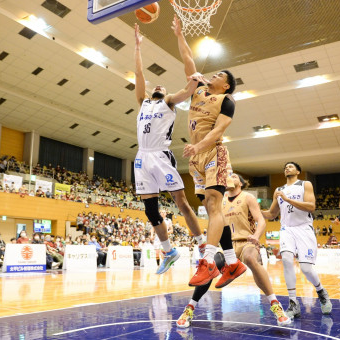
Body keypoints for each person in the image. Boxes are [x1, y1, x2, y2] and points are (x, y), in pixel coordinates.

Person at [172, 16, 244, 286]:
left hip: (213, 152)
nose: (213, 75)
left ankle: (209, 263)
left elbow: (219, 131)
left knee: (214, 204)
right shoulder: (198, 90)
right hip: (197, 158)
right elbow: (188, 63)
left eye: (219, 76)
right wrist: (180, 35)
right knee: (209, 207)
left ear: (226, 85)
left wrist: (198, 146)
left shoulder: (227, 100)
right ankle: (233, 263)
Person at [133, 23, 206, 275]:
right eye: (158, 86)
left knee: (182, 202)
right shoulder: (143, 101)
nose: (159, 86)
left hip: (160, 155)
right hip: (142, 157)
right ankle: (168, 251)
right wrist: (137, 47)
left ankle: (202, 247)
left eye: (163, 86)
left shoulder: (168, 101)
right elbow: (139, 74)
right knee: (151, 210)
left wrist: (194, 81)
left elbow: (187, 91)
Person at [176, 173, 290, 328]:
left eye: (234, 176)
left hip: (247, 241)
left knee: (250, 259)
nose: (230, 176)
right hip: (227, 246)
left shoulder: (247, 197)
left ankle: (276, 306)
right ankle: (189, 308)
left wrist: (256, 236)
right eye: (229, 175)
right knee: (209, 267)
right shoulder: (219, 201)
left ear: (241, 183)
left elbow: (261, 220)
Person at [261, 162, 332, 318]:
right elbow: (272, 214)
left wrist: (287, 199)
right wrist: (255, 210)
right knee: (286, 259)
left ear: (298, 171)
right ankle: (293, 304)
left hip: (304, 229)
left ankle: (321, 291)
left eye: (291, 166)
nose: (287, 168)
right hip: (287, 229)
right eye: (285, 167)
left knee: (306, 269)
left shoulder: (305, 184)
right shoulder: (278, 190)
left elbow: (311, 206)